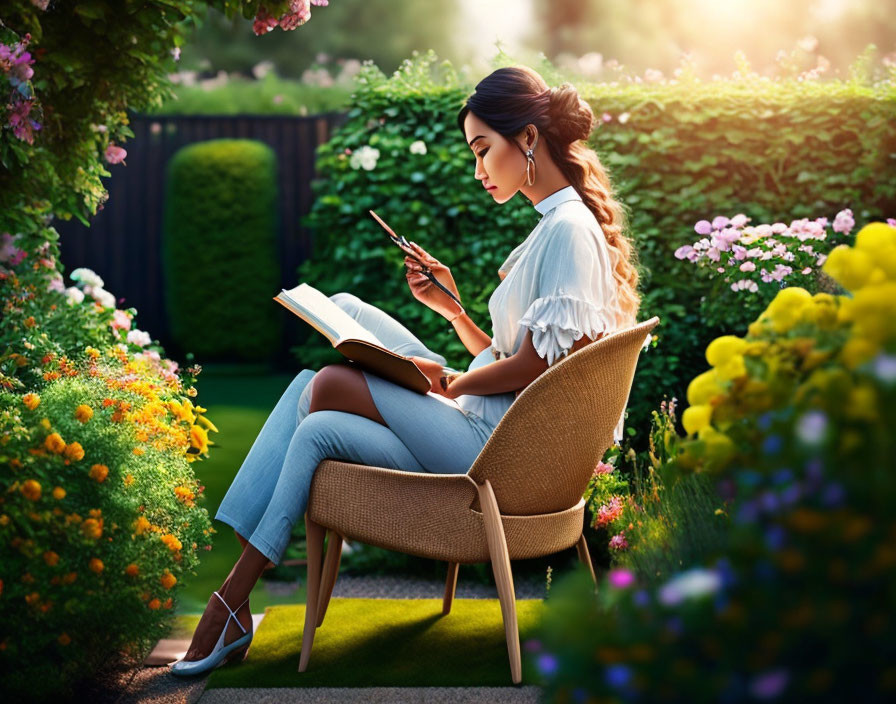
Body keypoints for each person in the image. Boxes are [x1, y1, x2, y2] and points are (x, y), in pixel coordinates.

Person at [170, 65, 644, 676]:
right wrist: (450, 309)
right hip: (485, 420)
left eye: (483, 150)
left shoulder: (568, 232)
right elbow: (512, 355)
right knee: (337, 340)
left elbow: (533, 370)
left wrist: (449, 384)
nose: (477, 171)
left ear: (527, 138)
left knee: (328, 384)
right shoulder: (558, 224)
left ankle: (232, 599)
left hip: (492, 451)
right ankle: (241, 582)